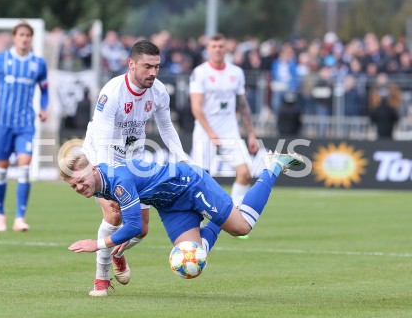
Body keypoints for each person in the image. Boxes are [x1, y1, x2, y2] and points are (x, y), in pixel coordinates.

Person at [61, 151, 305, 296]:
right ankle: (219, 219)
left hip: (190, 184)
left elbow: (135, 227)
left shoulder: (117, 180)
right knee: (193, 260)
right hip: (170, 205)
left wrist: (98, 243)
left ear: (92, 170)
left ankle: (273, 166)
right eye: (74, 187)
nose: (80, 188)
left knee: (242, 227)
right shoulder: (98, 183)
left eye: (81, 181)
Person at [82, 39, 189, 296]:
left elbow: (165, 127)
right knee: (114, 215)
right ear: (131, 64)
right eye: (147, 66)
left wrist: (183, 157)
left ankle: (118, 252)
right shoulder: (113, 92)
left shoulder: (160, 91)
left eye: (157, 66)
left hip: (133, 159)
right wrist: (111, 186)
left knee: (140, 229)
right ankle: (101, 279)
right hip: (101, 156)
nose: (153, 72)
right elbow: (105, 140)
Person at [0, 22, 49, 232]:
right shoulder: (1, 59)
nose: (24, 38)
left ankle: (20, 217)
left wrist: (44, 108)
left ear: (31, 38)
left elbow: (45, 91)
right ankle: (0, 214)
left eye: (28, 35)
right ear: (14, 37)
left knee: (24, 168)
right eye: (21, 35)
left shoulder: (38, 63)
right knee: (1, 169)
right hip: (3, 124)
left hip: (26, 124)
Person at [189, 33, 259, 228]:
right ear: (208, 49)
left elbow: (243, 105)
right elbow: (196, 106)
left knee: (245, 172)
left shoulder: (236, 72)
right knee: (202, 180)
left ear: (226, 48)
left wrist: (251, 133)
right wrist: (210, 132)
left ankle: (233, 214)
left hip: (230, 131)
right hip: (205, 132)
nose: (218, 49)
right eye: (214, 46)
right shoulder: (200, 72)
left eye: (221, 46)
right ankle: (199, 222)